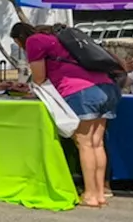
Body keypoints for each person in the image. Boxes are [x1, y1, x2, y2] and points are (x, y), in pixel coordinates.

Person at [12, 23, 123, 208]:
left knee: (84, 144)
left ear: (19, 39)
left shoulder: (35, 41)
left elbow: (39, 78)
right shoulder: (62, 39)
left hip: (80, 91)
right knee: (97, 143)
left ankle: (89, 194)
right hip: (107, 87)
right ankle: (99, 192)